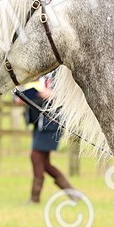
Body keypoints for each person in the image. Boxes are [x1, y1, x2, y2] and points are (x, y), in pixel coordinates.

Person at [19, 70, 76, 203]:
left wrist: (52, 94)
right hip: (38, 122)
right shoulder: (38, 73)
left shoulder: (59, 73)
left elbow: (69, 94)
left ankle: (35, 197)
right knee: (44, 163)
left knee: (35, 156)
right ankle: (73, 194)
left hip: (51, 123)